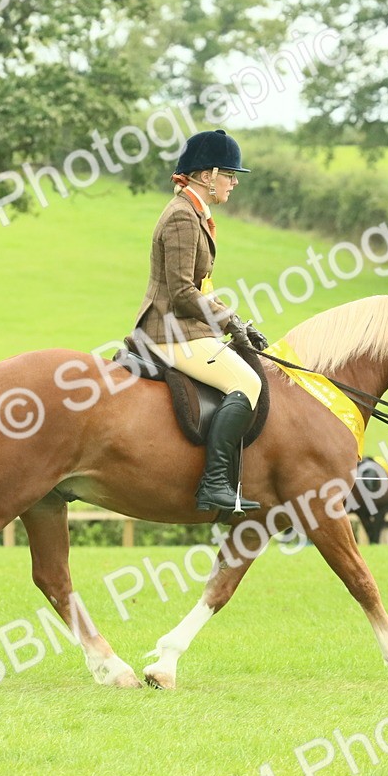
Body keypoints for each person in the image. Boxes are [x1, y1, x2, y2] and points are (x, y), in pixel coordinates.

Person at [132, 129, 266, 512]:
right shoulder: (182, 217)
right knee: (247, 382)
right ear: (207, 176)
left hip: (184, 328)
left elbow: (202, 287)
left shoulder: (194, 214)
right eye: (230, 175)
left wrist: (236, 321)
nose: (234, 183)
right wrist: (227, 322)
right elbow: (181, 293)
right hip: (170, 331)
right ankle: (214, 483)